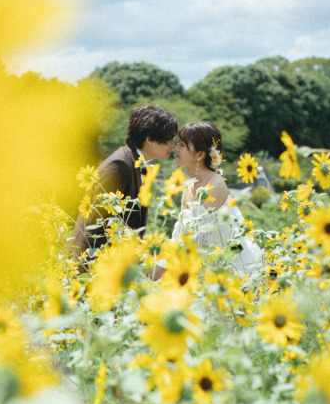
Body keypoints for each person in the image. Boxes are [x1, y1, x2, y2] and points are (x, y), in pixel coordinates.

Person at [70, 104, 177, 266]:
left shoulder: (135, 163)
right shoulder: (119, 165)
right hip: (90, 266)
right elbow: (94, 223)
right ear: (149, 139)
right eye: (169, 139)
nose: (173, 145)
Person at [168, 121, 263, 276]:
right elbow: (179, 234)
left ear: (200, 154)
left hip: (234, 271)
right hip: (207, 268)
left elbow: (200, 238)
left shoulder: (215, 185)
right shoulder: (189, 187)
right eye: (178, 143)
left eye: (183, 145)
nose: (176, 148)